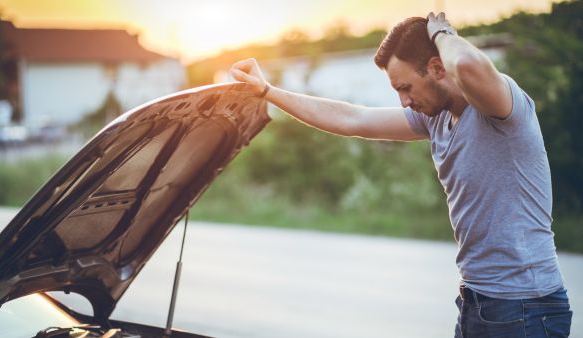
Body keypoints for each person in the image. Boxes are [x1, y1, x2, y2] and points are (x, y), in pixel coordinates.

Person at [230, 12, 572, 338]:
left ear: (437, 67)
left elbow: (466, 64)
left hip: (525, 307)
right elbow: (353, 120)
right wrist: (267, 91)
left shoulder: (499, 108)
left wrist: (442, 34)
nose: (404, 101)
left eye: (406, 87)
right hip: (477, 300)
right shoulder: (434, 118)